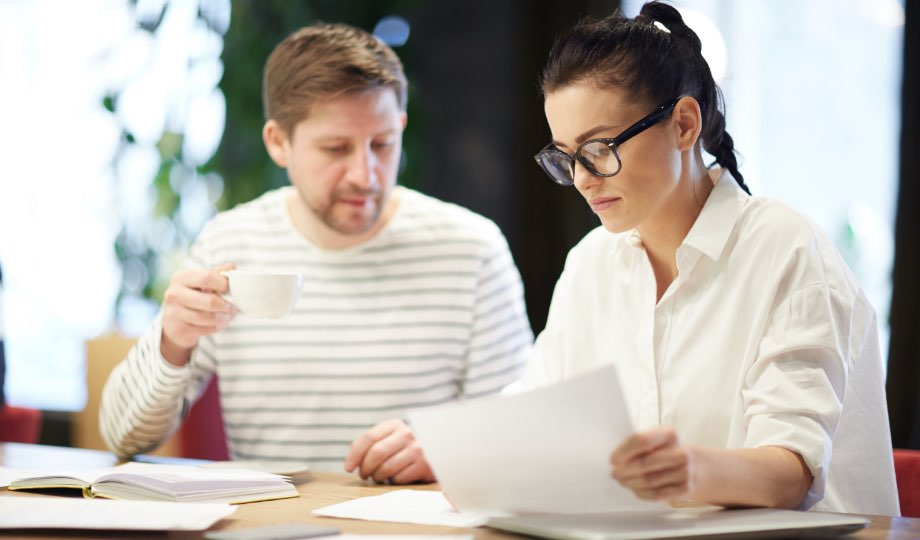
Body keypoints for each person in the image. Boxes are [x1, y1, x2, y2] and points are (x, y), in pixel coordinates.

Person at [99, 22, 532, 484]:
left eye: (382, 144)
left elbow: (520, 432)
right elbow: (122, 439)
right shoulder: (231, 242)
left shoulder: (472, 249)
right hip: (272, 524)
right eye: (336, 148)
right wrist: (172, 343)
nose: (365, 174)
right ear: (278, 142)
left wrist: (448, 448)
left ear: (401, 126)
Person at [518, 2, 898, 515]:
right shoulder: (591, 264)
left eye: (600, 147)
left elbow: (792, 474)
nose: (583, 178)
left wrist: (685, 470)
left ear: (683, 124)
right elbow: (536, 415)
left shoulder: (786, 248)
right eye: (566, 157)